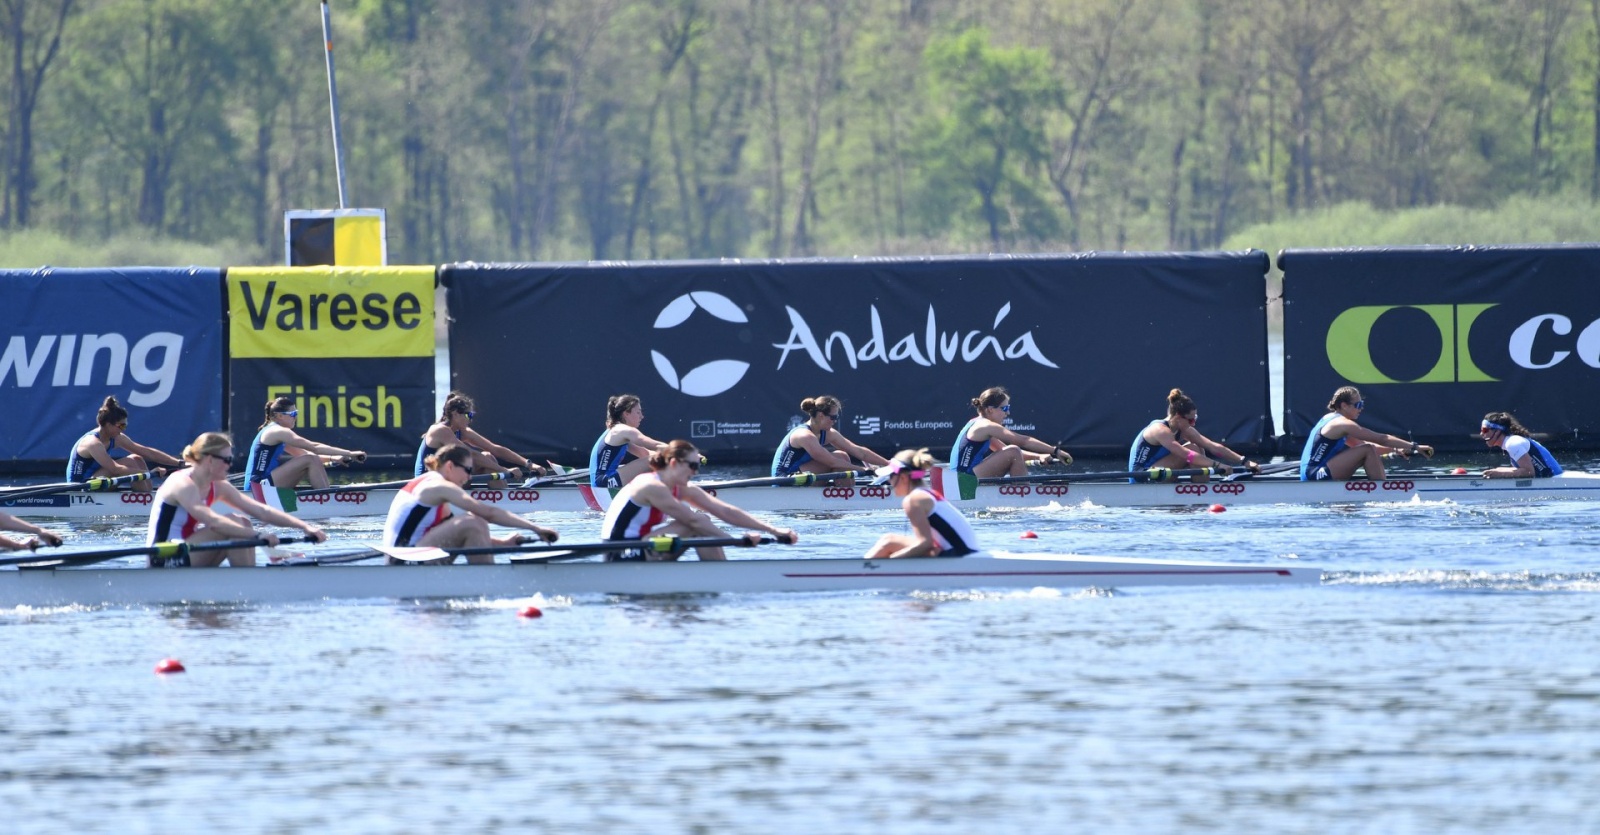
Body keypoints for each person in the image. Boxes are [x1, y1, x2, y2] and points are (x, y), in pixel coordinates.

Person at [147, 432, 328, 567]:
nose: (230, 464)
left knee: (242, 521)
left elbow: (261, 511)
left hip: (188, 551)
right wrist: (258, 536)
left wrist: (305, 527)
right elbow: (213, 521)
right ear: (209, 460)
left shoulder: (217, 486)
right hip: (163, 558)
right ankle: (247, 583)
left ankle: (247, 576)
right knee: (234, 523)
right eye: (227, 459)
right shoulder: (182, 483)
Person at [601, 440, 797, 561]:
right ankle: (722, 576)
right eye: (693, 466)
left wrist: (773, 530)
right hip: (620, 553)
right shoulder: (651, 486)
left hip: (643, 547)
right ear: (674, 463)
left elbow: (726, 512)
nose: (695, 472)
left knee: (704, 518)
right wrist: (735, 542)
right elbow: (693, 522)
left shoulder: (682, 488)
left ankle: (719, 575)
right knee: (698, 522)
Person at [383, 444, 559, 565]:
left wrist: (503, 543)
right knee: (474, 522)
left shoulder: (428, 485)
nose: (469, 478)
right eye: (467, 470)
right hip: (404, 561)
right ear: (450, 466)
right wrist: (535, 528)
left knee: (470, 524)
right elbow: (487, 513)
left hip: (405, 557)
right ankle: (487, 583)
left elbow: (461, 537)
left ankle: (483, 577)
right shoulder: (438, 486)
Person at [865, 448, 980, 559]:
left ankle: (866, 572)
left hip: (959, 555)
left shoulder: (914, 500)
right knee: (889, 540)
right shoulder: (927, 493)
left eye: (891, 476)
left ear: (904, 478)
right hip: (966, 551)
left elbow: (925, 544)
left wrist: (892, 561)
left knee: (887, 543)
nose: (889, 481)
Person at [1300, 386, 1433, 481]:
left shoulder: (1330, 419)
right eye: (1358, 405)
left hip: (1314, 472)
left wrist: (1396, 449)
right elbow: (1382, 439)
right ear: (1344, 405)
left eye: (1362, 403)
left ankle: (1379, 487)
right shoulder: (1342, 424)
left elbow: (1360, 445)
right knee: (1367, 450)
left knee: (1367, 449)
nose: (1361, 408)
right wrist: (1415, 446)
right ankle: (1382, 491)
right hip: (1315, 474)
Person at [1128, 388, 1262, 481]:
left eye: (1195, 418)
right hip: (1143, 477)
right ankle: (1202, 494)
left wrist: (1244, 461)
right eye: (1190, 420)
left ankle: (1202, 492)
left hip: (1164, 473)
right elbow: (1186, 455)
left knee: (1198, 447)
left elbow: (1213, 447)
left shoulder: (1184, 428)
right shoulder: (1160, 430)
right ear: (1178, 417)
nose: (1193, 423)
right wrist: (1218, 465)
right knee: (1192, 449)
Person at [244, 396, 366, 493]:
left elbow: (303, 454)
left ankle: (326, 495)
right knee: (310, 459)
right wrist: (350, 453)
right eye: (292, 414)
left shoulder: (277, 434)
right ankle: (327, 499)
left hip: (262, 484)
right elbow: (314, 447)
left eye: (296, 413)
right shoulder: (277, 431)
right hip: (258, 488)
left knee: (310, 458)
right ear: (279, 416)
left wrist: (334, 458)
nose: (295, 417)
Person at [415, 392, 547, 481]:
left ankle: (504, 500)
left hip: (447, 477)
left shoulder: (463, 431)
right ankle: (505, 502)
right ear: (455, 413)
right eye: (468, 415)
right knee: (485, 460)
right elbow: (470, 454)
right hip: (426, 482)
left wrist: (529, 464)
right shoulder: (440, 431)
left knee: (489, 456)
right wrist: (505, 470)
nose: (470, 420)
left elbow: (495, 449)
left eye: (472, 415)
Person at [66, 395, 183, 491]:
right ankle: (144, 502)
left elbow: (147, 452)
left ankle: (146, 496)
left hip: (100, 480)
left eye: (125, 425)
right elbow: (115, 469)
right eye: (121, 425)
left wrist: (179, 463)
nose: (124, 429)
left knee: (136, 458)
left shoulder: (116, 437)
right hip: (81, 486)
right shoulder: (93, 443)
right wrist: (149, 473)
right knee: (131, 463)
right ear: (108, 424)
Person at [951, 386, 1072, 478]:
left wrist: (1039, 456)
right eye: (1005, 408)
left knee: (1013, 451)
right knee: (1013, 450)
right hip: (963, 482)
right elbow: (1023, 441)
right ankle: (1022, 493)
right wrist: (1055, 451)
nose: (1007, 413)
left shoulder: (977, 423)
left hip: (960, 479)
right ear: (990, 410)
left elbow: (1003, 450)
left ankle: (1019, 490)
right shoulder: (985, 425)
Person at [771, 395, 890, 477]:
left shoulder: (828, 433)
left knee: (842, 456)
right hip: (785, 478)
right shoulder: (804, 436)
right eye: (833, 417)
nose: (835, 421)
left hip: (805, 474)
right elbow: (832, 462)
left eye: (836, 418)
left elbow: (859, 452)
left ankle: (843, 504)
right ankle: (843, 503)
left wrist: (889, 464)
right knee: (841, 459)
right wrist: (865, 470)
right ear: (821, 416)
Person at [591, 394, 666, 488]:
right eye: (638, 412)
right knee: (655, 460)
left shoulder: (618, 432)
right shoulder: (622, 430)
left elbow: (644, 453)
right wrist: (682, 452)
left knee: (660, 459)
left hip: (602, 482)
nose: (642, 416)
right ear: (626, 413)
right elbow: (653, 445)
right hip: (605, 483)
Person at [1479, 411, 1563, 478]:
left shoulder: (1513, 443)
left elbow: (1529, 472)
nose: (1481, 434)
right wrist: (1498, 470)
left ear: (1497, 431)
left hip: (1554, 479)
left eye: (1485, 430)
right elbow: (1521, 470)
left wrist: (1499, 474)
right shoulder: (1510, 442)